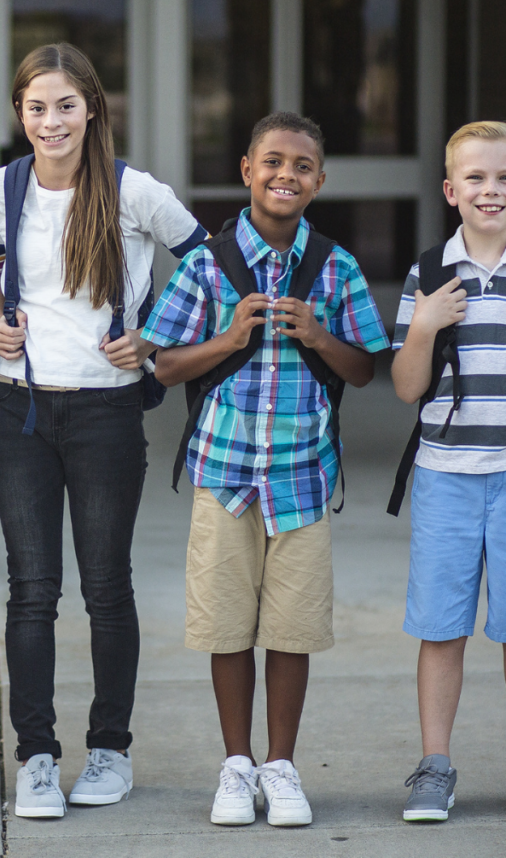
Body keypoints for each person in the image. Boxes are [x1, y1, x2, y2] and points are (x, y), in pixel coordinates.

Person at [0, 43, 208, 819]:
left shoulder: (133, 191)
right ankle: (36, 756)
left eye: (66, 105)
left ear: (92, 110)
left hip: (108, 410)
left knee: (106, 588)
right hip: (23, 410)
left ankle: (110, 750)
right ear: (19, 114)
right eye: (37, 107)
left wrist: (156, 340)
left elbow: (210, 263)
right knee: (32, 591)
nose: (51, 121)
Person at [142, 112, 388, 827]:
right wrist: (228, 338)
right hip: (223, 474)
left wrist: (318, 334)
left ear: (319, 181)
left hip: (303, 478)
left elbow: (364, 368)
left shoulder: (335, 267)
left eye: (302, 166)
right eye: (272, 162)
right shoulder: (208, 264)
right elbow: (163, 363)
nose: (286, 175)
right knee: (226, 627)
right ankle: (236, 764)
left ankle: (281, 766)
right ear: (247, 169)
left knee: (291, 628)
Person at [390, 121, 506, 822]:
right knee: (442, 627)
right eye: (477, 179)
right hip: (446, 475)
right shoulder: (430, 272)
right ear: (450, 189)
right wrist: (426, 324)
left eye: (503, 179)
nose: (491, 191)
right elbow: (407, 388)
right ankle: (435, 765)